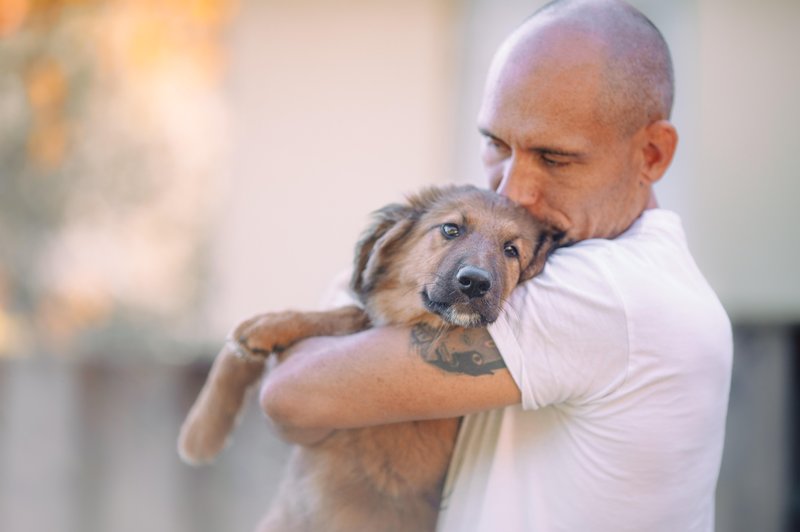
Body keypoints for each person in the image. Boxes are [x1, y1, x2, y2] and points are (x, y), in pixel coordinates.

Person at [259, 0, 733, 530]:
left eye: (555, 158)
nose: (513, 190)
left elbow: (293, 395)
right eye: (496, 144)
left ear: (651, 154)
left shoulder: (610, 292)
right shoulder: (606, 266)